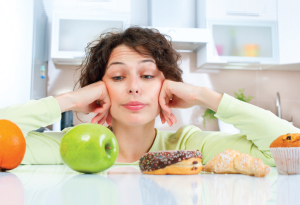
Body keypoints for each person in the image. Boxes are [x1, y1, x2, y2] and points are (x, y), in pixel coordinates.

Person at [1, 27, 299, 166]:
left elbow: (289, 150)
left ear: (166, 89)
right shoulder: (71, 148)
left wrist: (202, 95)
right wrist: (68, 100)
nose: (133, 87)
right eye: (118, 77)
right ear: (99, 91)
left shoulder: (188, 147)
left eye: (147, 76)